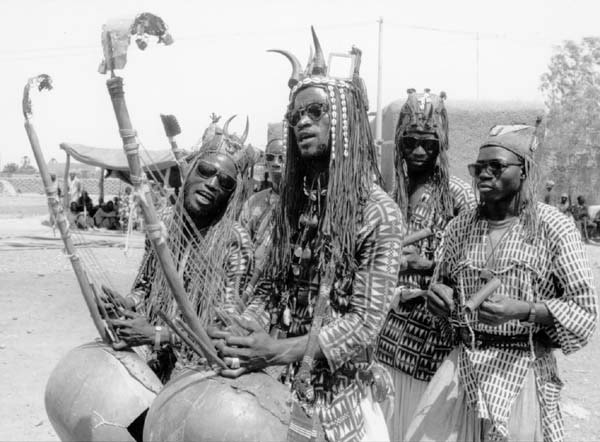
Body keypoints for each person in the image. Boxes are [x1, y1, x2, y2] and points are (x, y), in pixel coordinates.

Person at [210, 30, 404, 442]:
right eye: (296, 115)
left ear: (345, 120)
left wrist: (278, 350)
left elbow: (363, 325)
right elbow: (270, 288)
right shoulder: (293, 205)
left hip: (342, 400)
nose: (302, 123)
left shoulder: (377, 212)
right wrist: (243, 329)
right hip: (279, 391)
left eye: (316, 112)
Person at [405, 123, 598, 441]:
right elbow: (446, 288)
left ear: (524, 171)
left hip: (523, 370)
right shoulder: (459, 228)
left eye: (496, 166)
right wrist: (439, 300)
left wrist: (524, 310)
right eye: (478, 167)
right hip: (463, 367)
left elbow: (584, 312)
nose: (483, 174)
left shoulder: (553, 227)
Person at [106, 116, 255, 382]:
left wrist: (159, 334)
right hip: (152, 365)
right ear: (190, 170)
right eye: (206, 171)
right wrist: (126, 303)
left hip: (200, 375)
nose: (212, 184)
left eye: (225, 183)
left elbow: (226, 328)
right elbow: (145, 286)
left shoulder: (234, 241)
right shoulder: (163, 224)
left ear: (231, 195)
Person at [375, 89, 476, 441]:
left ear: (441, 144)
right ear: (399, 143)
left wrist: (430, 265)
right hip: (386, 337)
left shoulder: (458, 195)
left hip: (430, 339)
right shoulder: (386, 193)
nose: (419, 151)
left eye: (429, 143)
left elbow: (476, 264)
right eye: (411, 142)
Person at [240, 122, 284, 267]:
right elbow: (239, 242)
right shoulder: (254, 202)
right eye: (270, 158)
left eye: (282, 158)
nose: (276, 163)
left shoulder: (304, 203)